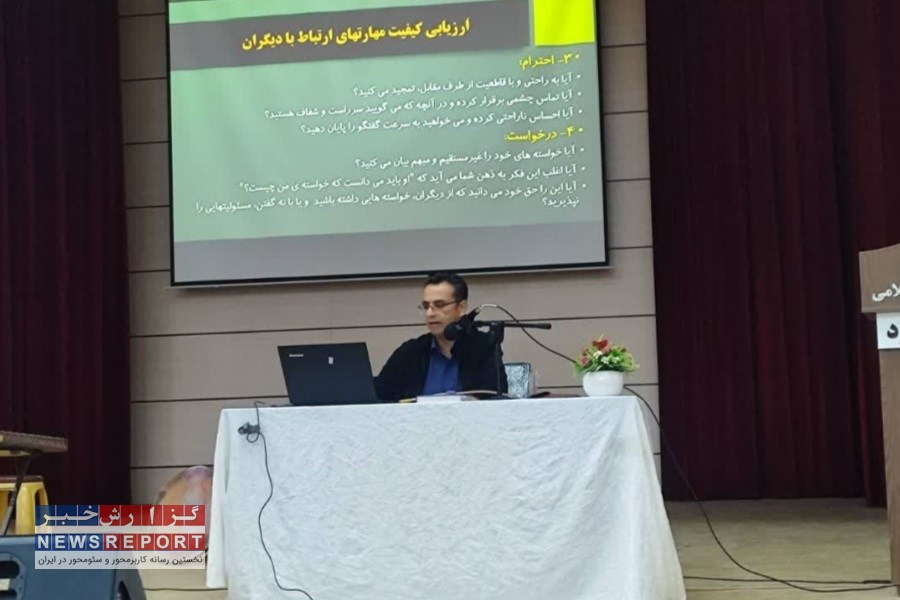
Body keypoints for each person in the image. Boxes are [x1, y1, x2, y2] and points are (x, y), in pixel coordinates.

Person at [374, 272, 507, 401]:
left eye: (440, 305)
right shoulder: (410, 352)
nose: (430, 313)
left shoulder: (484, 347)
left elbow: (497, 401)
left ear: (461, 308)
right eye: (426, 306)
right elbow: (378, 398)